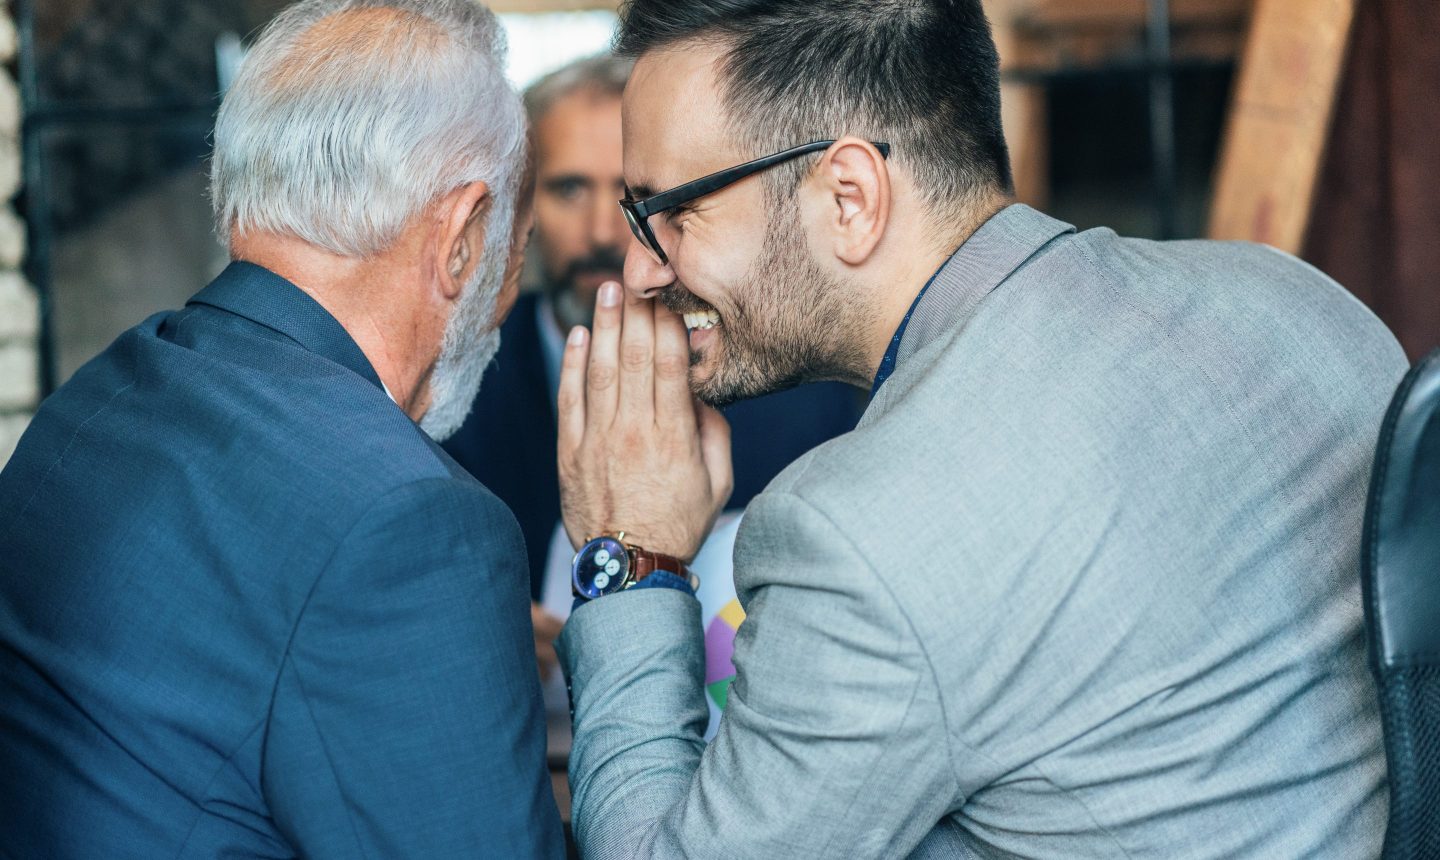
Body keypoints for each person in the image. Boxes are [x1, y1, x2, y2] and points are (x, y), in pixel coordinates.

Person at [552, 1, 1406, 857]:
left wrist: (631, 556)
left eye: (672, 211)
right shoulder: (1299, 302)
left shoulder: (855, 537)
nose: (639, 267)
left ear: (850, 198)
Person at [0, 1, 562, 857]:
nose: (508, 282)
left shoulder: (100, 396)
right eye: (515, 243)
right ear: (459, 237)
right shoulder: (415, 523)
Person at [442, 54, 861, 685]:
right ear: (519, 209)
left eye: (635, 197)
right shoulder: (454, 393)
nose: (605, 233)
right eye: (568, 189)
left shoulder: (808, 399)